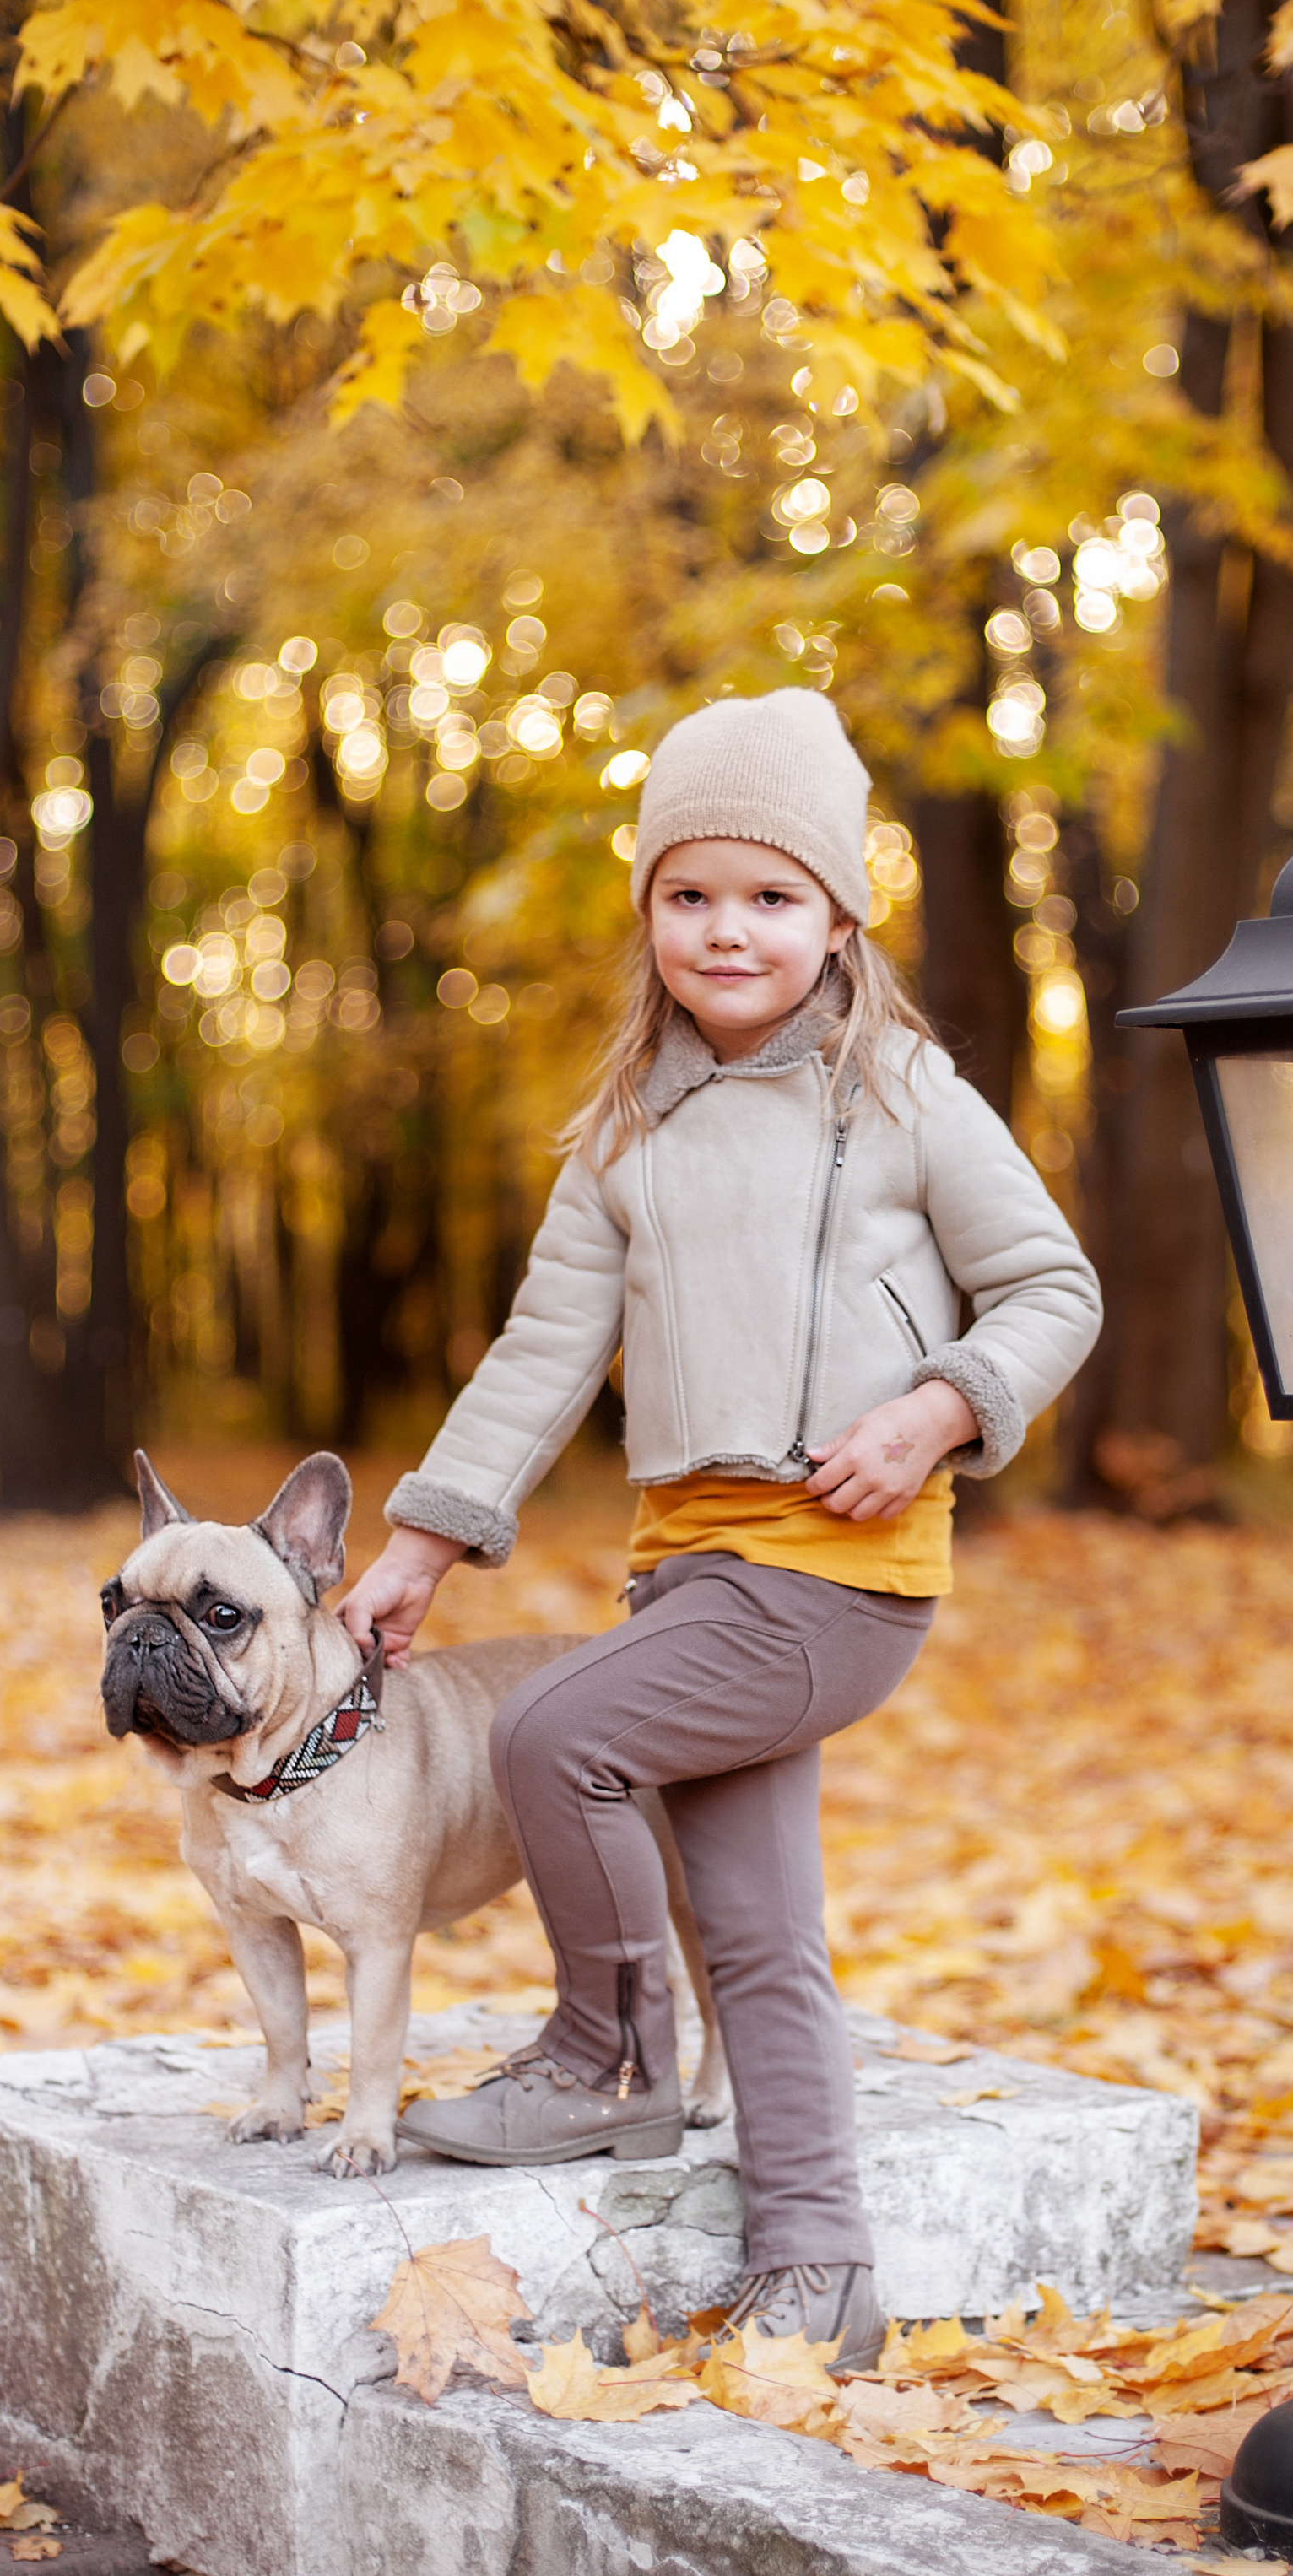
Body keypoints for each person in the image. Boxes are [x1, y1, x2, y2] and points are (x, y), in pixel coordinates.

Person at [336, 687, 1101, 2369]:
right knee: (756, 1925)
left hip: (836, 1570)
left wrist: (934, 1409)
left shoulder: (898, 1091)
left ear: (836, 917)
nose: (727, 929)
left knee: (552, 1728)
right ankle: (819, 2270)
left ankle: (603, 2057)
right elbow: (542, 1353)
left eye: (768, 895)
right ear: (648, 914)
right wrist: (417, 1546)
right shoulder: (623, 1130)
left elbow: (1048, 1282)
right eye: (690, 894)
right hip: (693, 1565)